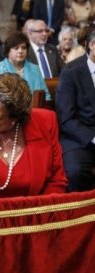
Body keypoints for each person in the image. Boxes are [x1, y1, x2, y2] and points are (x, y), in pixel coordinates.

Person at [56, 28, 95, 192]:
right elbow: (66, 119)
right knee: (75, 172)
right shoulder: (71, 72)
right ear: (92, 45)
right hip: (79, 138)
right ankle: (82, 215)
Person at [0, 31, 50, 100]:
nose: (20, 51)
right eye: (16, 48)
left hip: (34, 109)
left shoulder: (35, 69)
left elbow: (46, 95)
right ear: (8, 51)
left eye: (23, 48)